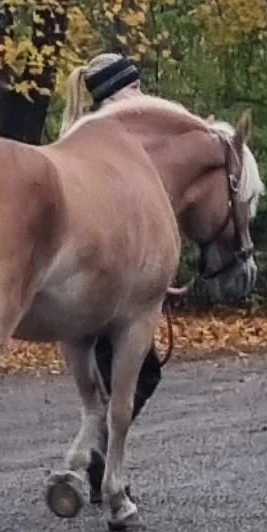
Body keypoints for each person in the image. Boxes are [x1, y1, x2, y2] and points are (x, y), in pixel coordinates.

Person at [63, 52, 166, 499]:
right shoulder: (112, 144)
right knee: (134, 375)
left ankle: (97, 459)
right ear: (116, 92)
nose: (140, 94)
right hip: (107, 292)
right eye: (133, 87)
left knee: (132, 376)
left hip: (111, 283)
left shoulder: (88, 137)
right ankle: (98, 465)